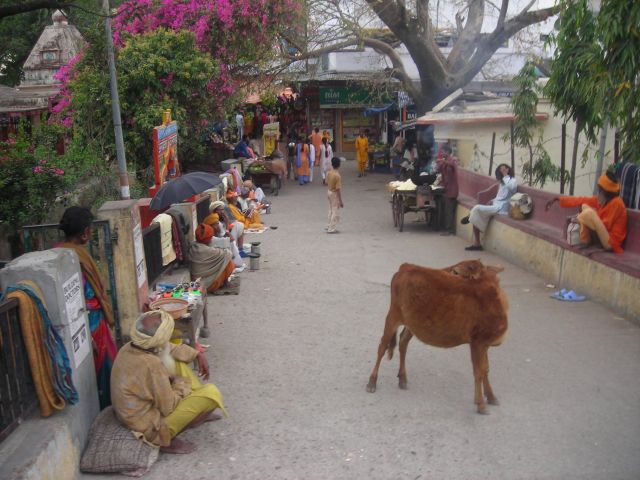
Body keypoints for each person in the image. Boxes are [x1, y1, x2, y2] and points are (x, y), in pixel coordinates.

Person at [111, 310, 226, 454]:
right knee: (212, 392)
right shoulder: (151, 364)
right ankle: (166, 440)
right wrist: (181, 384)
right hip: (148, 425)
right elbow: (168, 407)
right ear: (157, 338)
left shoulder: (130, 347)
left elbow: (169, 347)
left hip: (136, 410)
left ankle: (196, 409)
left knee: (177, 361)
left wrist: (197, 355)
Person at [58, 206, 117, 410]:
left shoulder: (58, 253)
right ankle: (108, 408)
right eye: (89, 230)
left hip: (80, 322)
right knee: (105, 367)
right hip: (90, 323)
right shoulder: (75, 257)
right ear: (85, 232)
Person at [545, 172, 628, 253]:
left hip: (611, 243)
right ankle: (583, 237)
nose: (598, 194)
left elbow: (605, 225)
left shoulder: (617, 203)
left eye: (600, 191)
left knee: (589, 213)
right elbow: (580, 200)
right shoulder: (603, 201)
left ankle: (580, 228)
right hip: (601, 238)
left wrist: (589, 219)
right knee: (584, 206)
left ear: (605, 193)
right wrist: (558, 199)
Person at [461, 163, 517, 251]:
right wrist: (492, 200)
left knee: (476, 208)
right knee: (475, 215)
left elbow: (512, 188)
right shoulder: (501, 182)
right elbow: (499, 196)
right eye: (501, 170)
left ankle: (469, 217)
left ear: (508, 169)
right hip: (495, 205)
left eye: (504, 169)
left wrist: (506, 176)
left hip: (501, 208)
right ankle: (477, 244)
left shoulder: (512, 180)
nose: (503, 171)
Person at [189, 223, 236, 292]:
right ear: (209, 239)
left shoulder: (193, 247)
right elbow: (228, 254)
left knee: (223, 260)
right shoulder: (209, 251)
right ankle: (224, 283)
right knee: (229, 263)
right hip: (208, 285)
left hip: (197, 281)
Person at [435, 145, 459, 236]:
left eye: (443, 152)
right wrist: (439, 163)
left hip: (452, 189)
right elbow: (440, 170)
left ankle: (449, 230)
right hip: (446, 188)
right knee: (445, 209)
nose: (441, 153)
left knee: (449, 210)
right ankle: (444, 227)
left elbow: (452, 165)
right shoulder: (444, 161)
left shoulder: (452, 160)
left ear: (447, 152)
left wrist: (443, 161)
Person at [326, 157, 344, 234]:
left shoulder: (329, 173)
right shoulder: (337, 176)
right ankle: (332, 228)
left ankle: (328, 225)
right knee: (335, 210)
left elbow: (326, 182)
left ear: (332, 164)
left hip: (329, 191)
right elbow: (338, 189)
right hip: (334, 193)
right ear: (339, 165)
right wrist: (340, 201)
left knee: (330, 209)